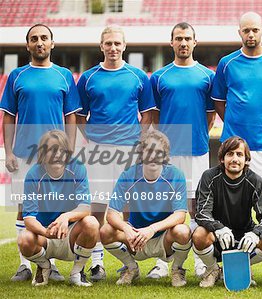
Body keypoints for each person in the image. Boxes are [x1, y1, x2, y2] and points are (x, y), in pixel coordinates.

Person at [211, 11, 262, 279]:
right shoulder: (227, 63)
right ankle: (216, 261)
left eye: (255, 30)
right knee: (226, 202)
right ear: (239, 33)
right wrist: (236, 134)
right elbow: (219, 101)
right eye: (246, 30)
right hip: (233, 146)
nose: (251, 35)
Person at [1, 24, 81, 282]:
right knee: (24, 209)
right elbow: (8, 117)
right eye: (34, 39)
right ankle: (25, 265)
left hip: (55, 156)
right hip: (24, 153)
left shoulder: (64, 75)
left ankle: (51, 264)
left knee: (55, 207)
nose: (39, 42)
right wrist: (9, 152)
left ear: (52, 43)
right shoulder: (17, 76)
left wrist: (69, 149)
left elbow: (71, 117)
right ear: (28, 45)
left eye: (44, 38)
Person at [76, 25, 155, 281]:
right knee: (97, 206)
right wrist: (94, 140)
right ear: (101, 46)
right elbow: (79, 115)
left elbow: (148, 113)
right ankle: (97, 263)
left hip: (129, 151)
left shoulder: (138, 76)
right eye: (108, 44)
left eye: (117, 44)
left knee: (127, 208)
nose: (113, 48)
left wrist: (137, 141)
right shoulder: (88, 78)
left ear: (124, 46)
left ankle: (128, 261)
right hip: (98, 152)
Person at [149, 22, 214, 279]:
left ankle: (200, 260)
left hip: (197, 150)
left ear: (195, 42)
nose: (184, 43)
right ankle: (163, 264)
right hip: (168, 154)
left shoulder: (207, 76)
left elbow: (210, 116)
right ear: (172, 42)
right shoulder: (159, 77)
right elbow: (154, 116)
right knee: (166, 208)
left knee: (198, 207)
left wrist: (196, 136)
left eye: (188, 38)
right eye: (179, 38)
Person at [100, 130, 191, 287]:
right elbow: (112, 213)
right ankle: (131, 267)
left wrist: (152, 229)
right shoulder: (128, 175)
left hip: (164, 239)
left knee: (183, 231)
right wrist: (126, 229)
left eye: (159, 152)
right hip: (135, 238)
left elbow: (180, 215)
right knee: (106, 231)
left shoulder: (175, 175)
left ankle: (177, 270)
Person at [192, 136, 262, 288]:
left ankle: (239, 267)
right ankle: (213, 269)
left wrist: (255, 233)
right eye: (230, 154)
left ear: (246, 159)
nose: (235, 159)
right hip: (218, 237)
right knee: (199, 234)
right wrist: (219, 228)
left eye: (239, 154)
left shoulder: (255, 180)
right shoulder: (209, 176)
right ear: (222, 158)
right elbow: (202, 213)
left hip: (244, 239)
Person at [18, 130, 98, 287]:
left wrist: (65, 217)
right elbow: (29, 219)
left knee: (92, 223)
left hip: (71, 234)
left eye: (61, 150)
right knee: (24, 239)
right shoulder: (33, 174)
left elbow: (85, 207)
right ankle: (44, 265)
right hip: (44, 236)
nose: (57, 155)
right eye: (51, 150)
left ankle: (77, 272)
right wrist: (46, 232)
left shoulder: (77, 168)